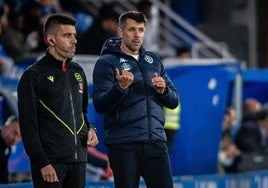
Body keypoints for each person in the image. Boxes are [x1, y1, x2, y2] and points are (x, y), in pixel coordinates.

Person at [92, 11, 179, 188]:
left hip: (155, 142)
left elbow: (174, 100)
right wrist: (121, 87)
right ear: (121, 32)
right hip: (124, 144)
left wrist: (163, 91)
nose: (137, 35)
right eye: (132, 29)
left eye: (141, 30)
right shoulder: (107, 62)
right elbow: (100, 104)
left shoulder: (153, 60)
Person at [17, 14, 98, 188]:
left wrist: (90, 129)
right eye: (67, 35)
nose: (74, 40)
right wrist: (42, 162)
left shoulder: (78, 71)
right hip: (51, 163)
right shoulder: (33, 76)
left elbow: (82, 112)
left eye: (74, 35)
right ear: (51, 40)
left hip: (79, 161)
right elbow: (28, 125)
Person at [0, 115, 20, 184]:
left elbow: (3, 174)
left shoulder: (7, 145)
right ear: (4, 128)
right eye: (14, 133)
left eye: (20, 136)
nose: (15, 139)